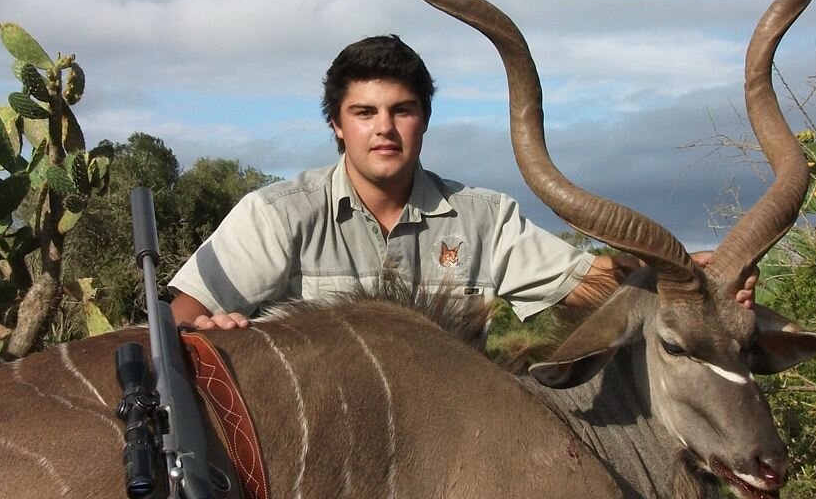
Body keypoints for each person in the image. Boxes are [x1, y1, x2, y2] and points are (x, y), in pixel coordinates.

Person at [168, 36, 752, 331]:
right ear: (337, 127)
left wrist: (687, 273)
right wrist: (206, 326)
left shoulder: (483, 217)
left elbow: (587, 285)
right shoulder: (280, 212)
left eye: (402, 110)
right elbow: (183, 314)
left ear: (424, 118)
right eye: (365, 113)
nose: (385, 129)